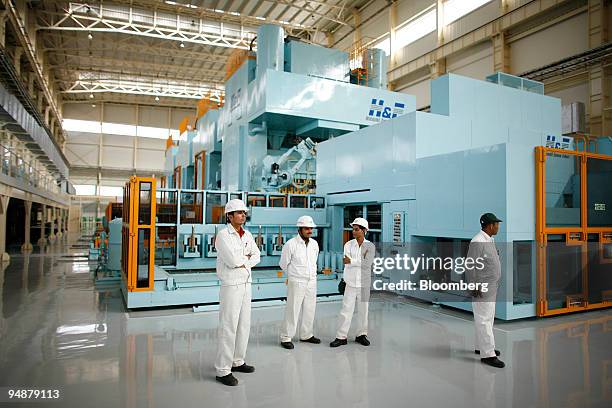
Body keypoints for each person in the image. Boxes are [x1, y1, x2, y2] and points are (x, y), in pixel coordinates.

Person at [214, 199, 261, 386]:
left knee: (244, 324)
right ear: (229, 216)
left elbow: (257, 255)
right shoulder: (223, 236)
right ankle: (223, 369)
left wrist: (245, 260)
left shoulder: (247, 234)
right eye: (239, 212)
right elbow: (233, 260)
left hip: (246, 283)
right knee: (229, 326)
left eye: (244, 212)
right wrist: (245, 259)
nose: (243, 215)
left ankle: (237, 361)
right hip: (231, 284)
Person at [466, 212, 505, 368]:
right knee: (484, 319)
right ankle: (488, 355)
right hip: (482, 287)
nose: (498, 226)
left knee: (487, 317)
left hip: (491, 286)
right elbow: (470, 265)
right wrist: (473, 285)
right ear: (490, 225)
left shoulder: (489, 239)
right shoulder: (477, 241)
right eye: (496, 224)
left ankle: (481, 346)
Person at [330, 217, 375, 348]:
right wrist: (358, 261)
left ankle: (361, 335)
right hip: (350, 283)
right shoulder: (348, 245)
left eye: (356, 229)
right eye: (353, 229)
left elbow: (367, 264)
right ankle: (341, 336)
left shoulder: (370, 246)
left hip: (364, 284)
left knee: (363, 310)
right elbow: (346, 262)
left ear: (364, 230)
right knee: (346, 310)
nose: (353, 232)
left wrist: (354, 261)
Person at [279, 215, 321, 349]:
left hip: (311, 281)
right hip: (297, 281)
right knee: (293, 309)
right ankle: (286, 337)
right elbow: (283, 264)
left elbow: (314, 261)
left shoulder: (314, 244)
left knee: (310, 308)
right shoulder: (291, 244)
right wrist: (294, 275)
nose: (310, 231)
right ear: (300, 229)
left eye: (311, 228)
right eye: (307, 228)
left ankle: (306, 334)